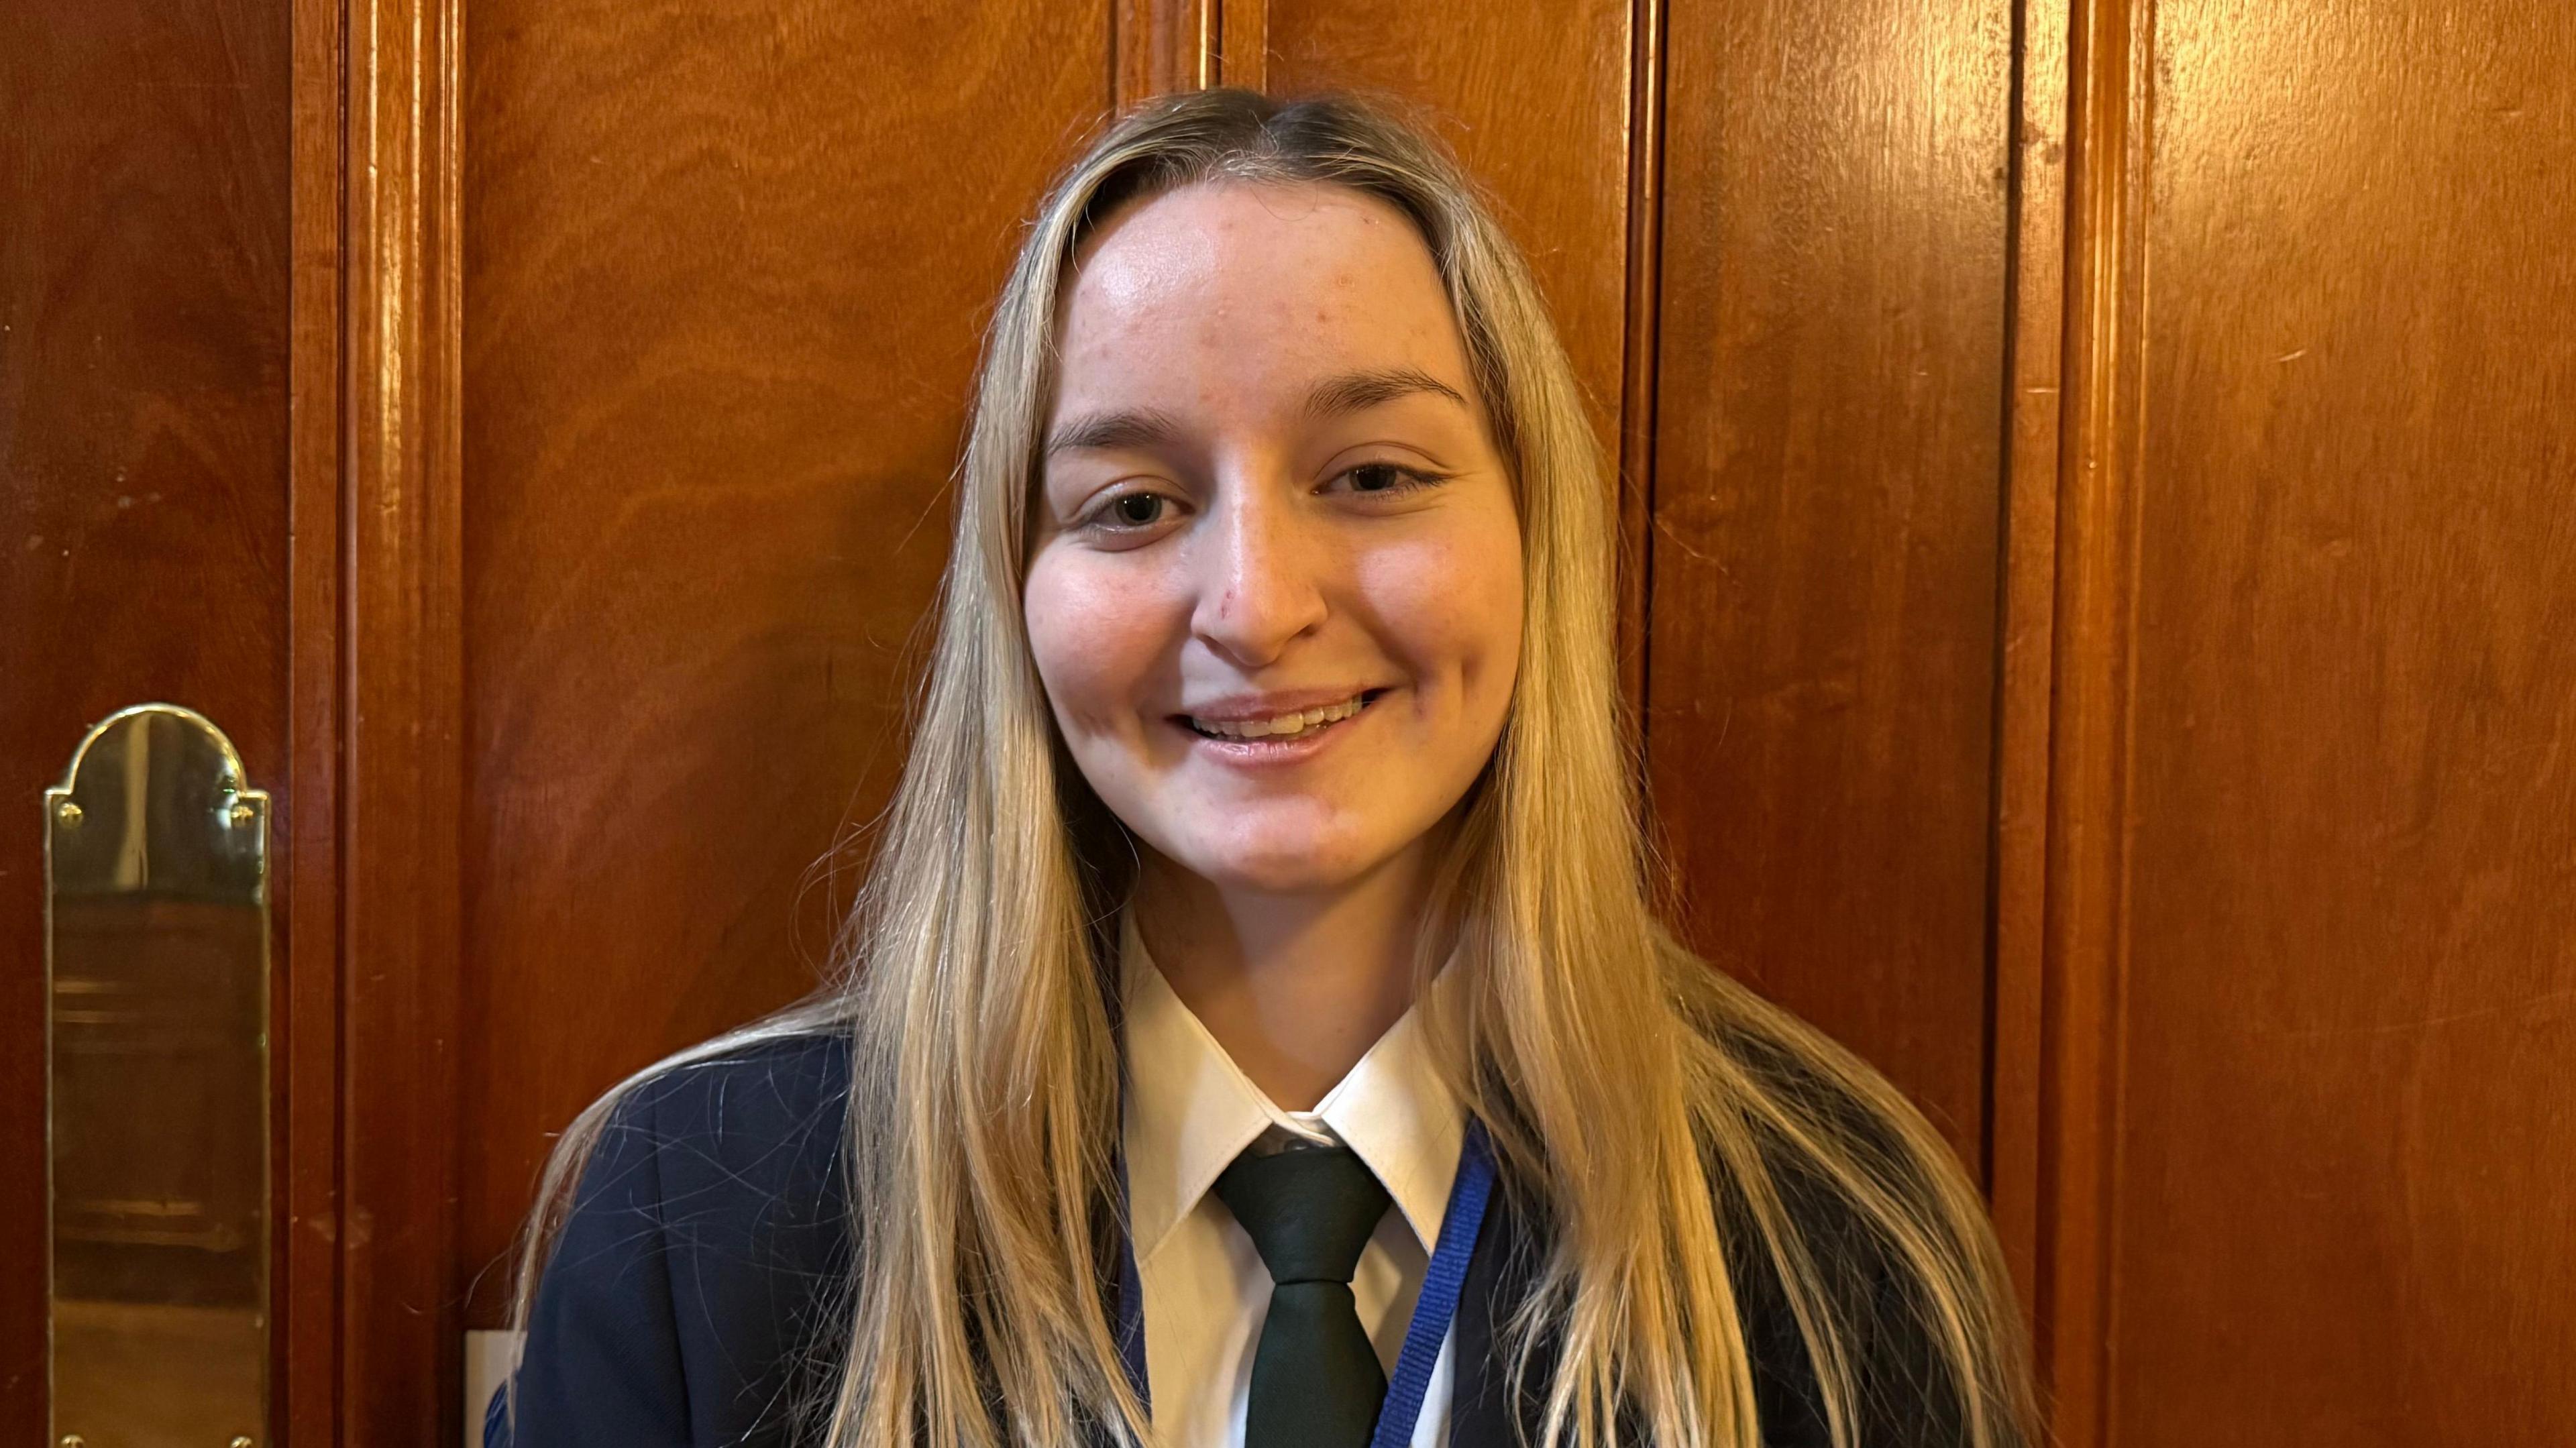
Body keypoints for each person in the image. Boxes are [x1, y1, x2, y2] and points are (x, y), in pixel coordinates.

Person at [487, 87, 2037, 1448]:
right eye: (1133, 504)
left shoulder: (1836, 1234)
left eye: (1372, 476)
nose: (1255, 605)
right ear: (1015, 592)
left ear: (1533, 539)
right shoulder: (694, 1218)